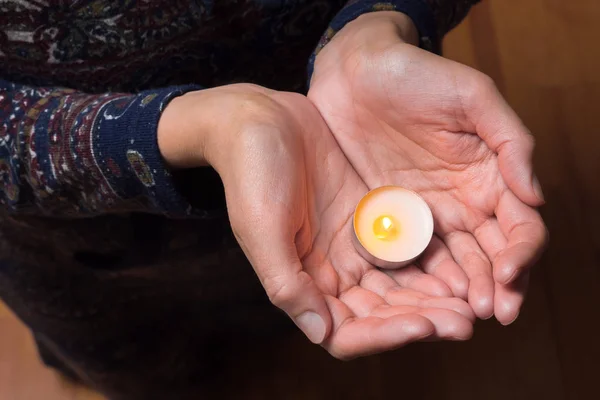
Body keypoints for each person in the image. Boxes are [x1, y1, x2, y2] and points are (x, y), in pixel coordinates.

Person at [0, 0, 548, 398]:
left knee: (285, 306)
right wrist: (189, 129)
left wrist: (381, 20)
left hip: (343, 160)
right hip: (92, 238)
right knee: (146, 367)